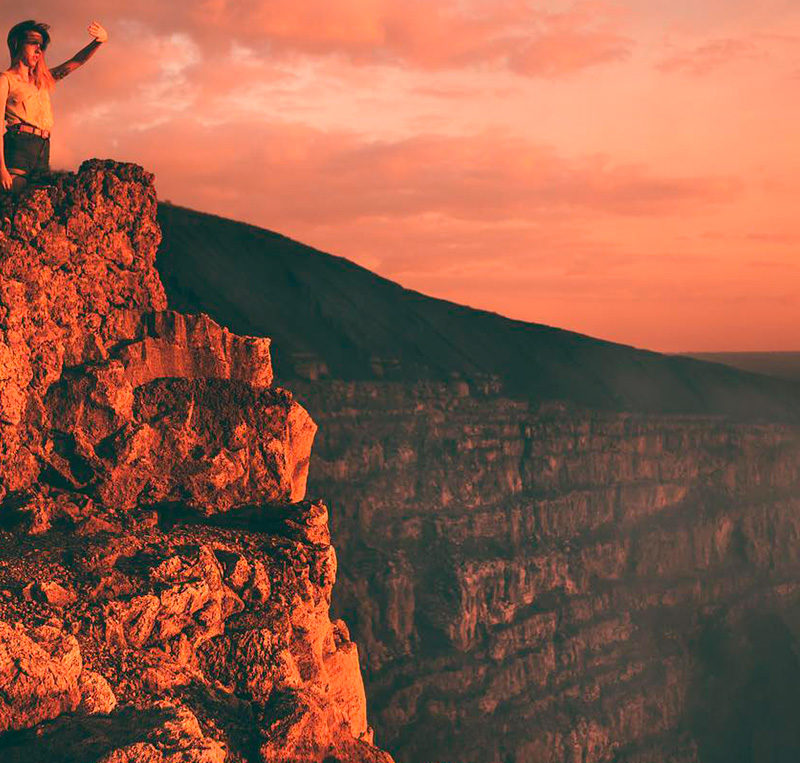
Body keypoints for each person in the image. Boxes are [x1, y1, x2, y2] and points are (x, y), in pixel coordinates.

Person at [0, 20, 108, 192]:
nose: (38, 50)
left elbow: (76, 62)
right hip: (19, 145)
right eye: (33, 43)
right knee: (13, 202)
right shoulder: (6, 80)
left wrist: (99, 41)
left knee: (38, 205)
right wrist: (2, 169)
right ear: (17, 44)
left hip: (43, 147)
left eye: (41, 46)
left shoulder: (42, 80)